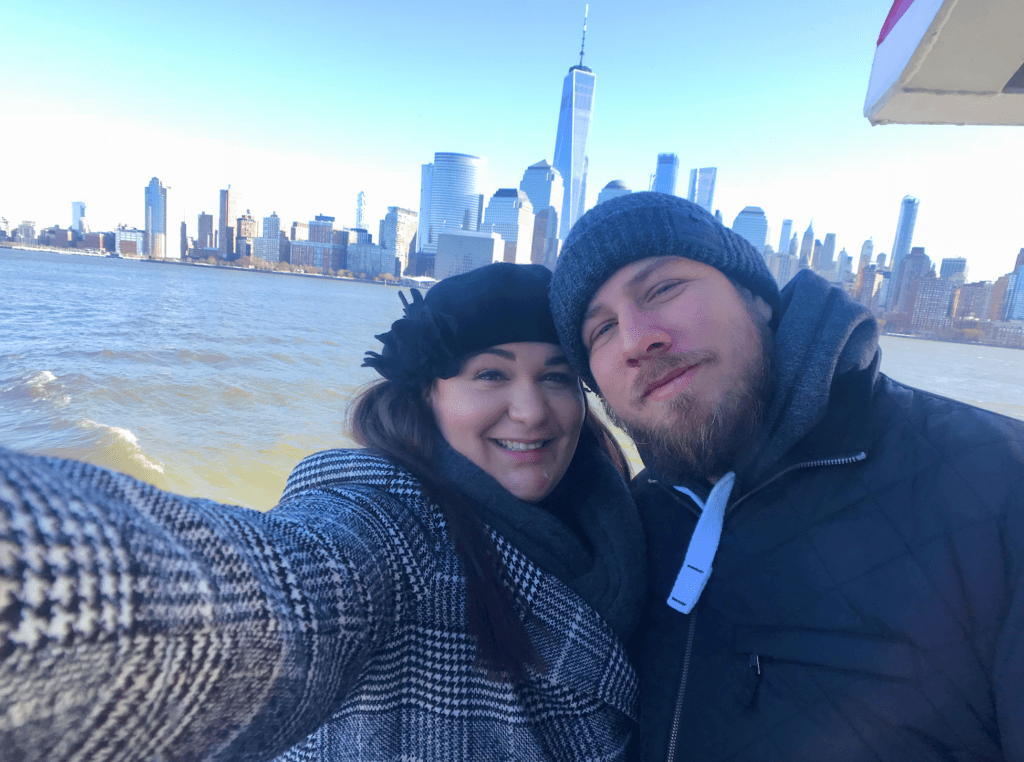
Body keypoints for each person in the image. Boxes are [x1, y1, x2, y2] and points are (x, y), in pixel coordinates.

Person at [0, 262, 647, 762]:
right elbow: (274, 592)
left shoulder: (626, 520)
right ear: (429, 394)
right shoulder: (388, 522)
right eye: (490, 375)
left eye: (557, 377)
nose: (532, 410)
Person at [548, 192, 1024, 762]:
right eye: (600, 331)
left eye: (663, 289)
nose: (635, 340)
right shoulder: (633, 518)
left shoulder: (998, 485)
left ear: (756, 297)